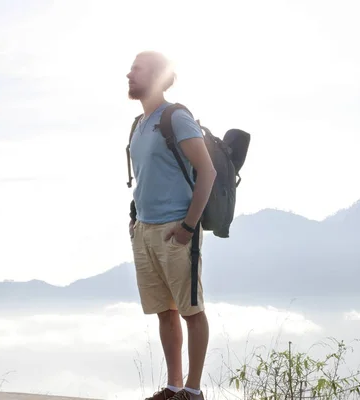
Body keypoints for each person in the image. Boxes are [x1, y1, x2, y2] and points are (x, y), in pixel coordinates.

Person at [126, 51, 217, 400]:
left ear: (160, 76)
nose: (129, 74)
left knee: (192, 311)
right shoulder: (139, 124)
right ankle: (174, 387)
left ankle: (193, 392)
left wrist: (188, 228)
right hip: (145, 231)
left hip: (177, 230)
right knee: (165, 312)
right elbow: (146, 178)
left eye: (138, 69)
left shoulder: (175, 118)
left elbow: (206, 171)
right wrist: (135, 220)